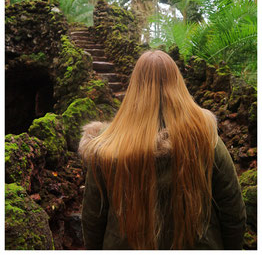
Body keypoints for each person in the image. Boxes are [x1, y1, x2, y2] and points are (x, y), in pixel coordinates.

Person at [78, 50, 246, 250]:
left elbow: (92, 220)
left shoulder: (107, 149)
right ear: (178, 84)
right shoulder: (205, 141)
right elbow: (233, 212)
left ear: (134, 88)